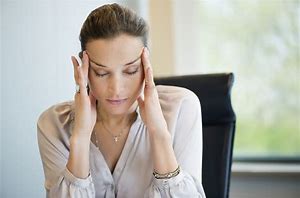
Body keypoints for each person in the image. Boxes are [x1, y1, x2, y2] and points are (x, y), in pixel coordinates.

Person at [37, 3, 206, 198]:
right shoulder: (54, 124)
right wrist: (81, 137)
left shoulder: (182, 107)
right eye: (101, 73)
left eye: (130, 71)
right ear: (82, 71)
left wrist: (159, 133)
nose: (116, 89)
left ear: (146, 64)